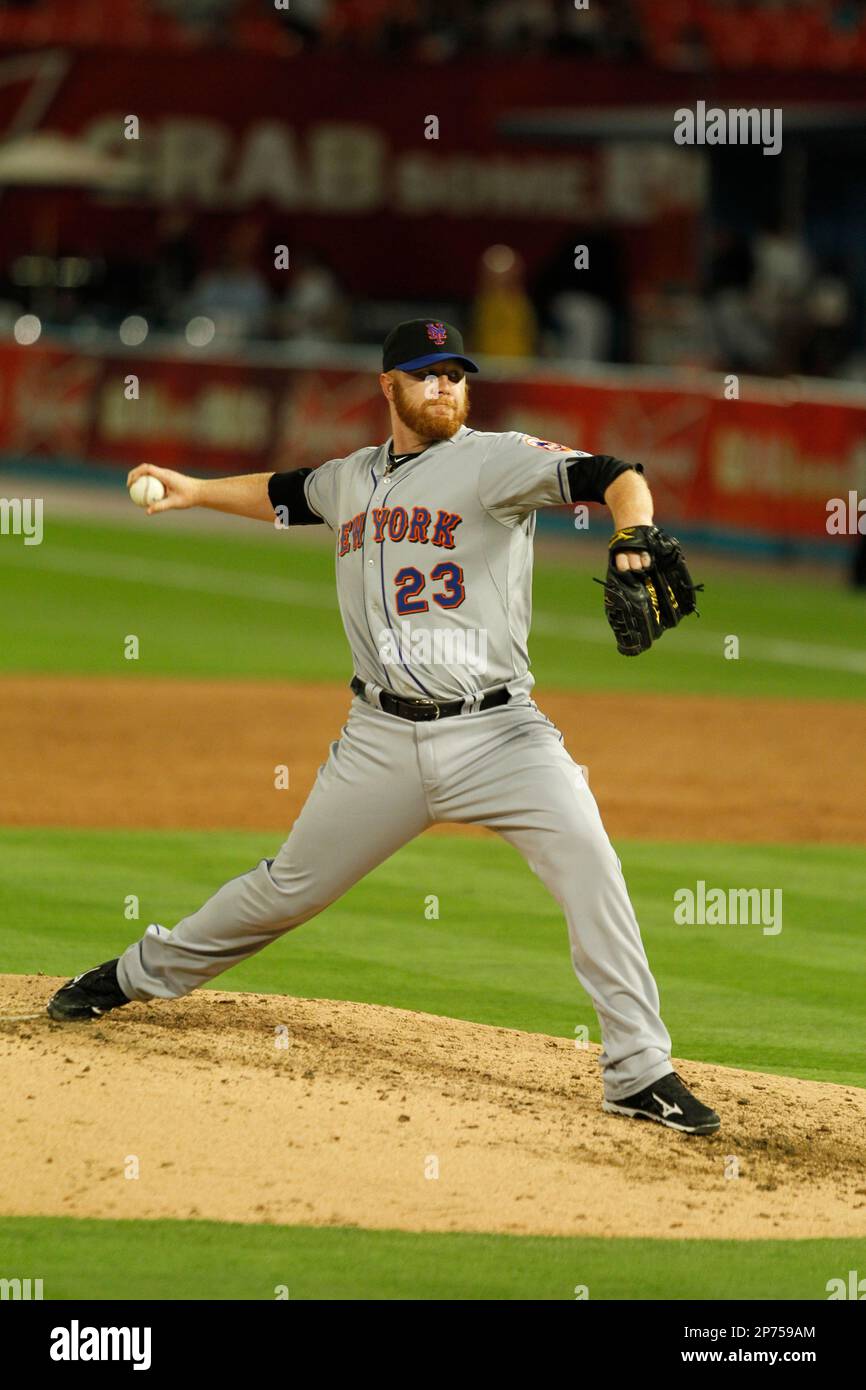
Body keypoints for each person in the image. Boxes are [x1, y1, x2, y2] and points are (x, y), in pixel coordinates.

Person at [47, 318, 720, 1137]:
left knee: (591, 863)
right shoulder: (353, 478)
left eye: (456, 374)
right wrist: (194, 490)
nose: (444, 386)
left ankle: (638, 1071)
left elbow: (615, 473)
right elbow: (286, 492)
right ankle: (131, 974)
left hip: (502, 734)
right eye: (427, 373)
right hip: (379, 741)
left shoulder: (496, 459)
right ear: (388, 385)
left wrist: (634, 534)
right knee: (286, 890)